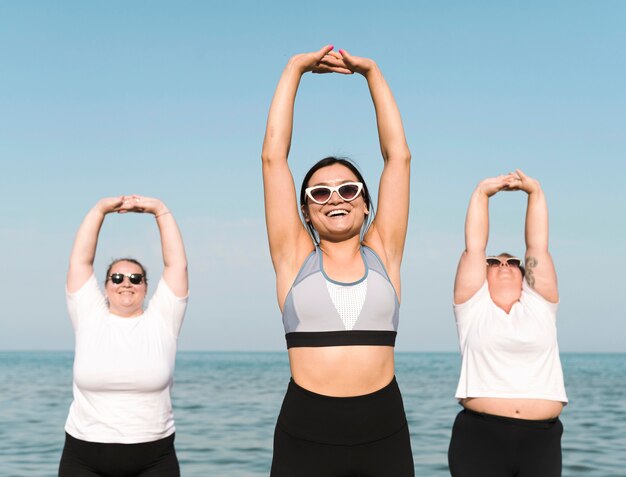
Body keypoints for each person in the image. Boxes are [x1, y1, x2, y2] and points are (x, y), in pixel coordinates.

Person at [262, 45, 413, 476]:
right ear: (305, 211)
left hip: (384, 428)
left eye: (348, 190)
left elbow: (398, 157)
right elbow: (273, 158)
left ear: (366, 204)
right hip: (306, 430)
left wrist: (372, 74)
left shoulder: (385, 253)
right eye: (319, 193)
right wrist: (294, 68)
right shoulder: (293, 258)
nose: (335, 199)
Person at [58, 195, 188, 477]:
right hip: (84, 458)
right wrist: (99, 210)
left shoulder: (163, 319)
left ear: (145, 287)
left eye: (135, 278)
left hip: (154, 458)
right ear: (105, 287)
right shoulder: (89, 315)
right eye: (117, 278)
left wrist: (160, 210)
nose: (126, 284)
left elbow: (176, 266)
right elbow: (80, 262)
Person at [448, 171, 568, 477]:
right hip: (480, 438)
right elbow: (473, 247)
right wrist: (481, 192)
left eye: (511, 262)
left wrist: (535, 191)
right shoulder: (472, 308)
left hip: (541, 439)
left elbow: (537, 247)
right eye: (494, 262)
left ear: (523, 273)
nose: (503, 265)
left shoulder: (540, 305)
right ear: (481, 273)